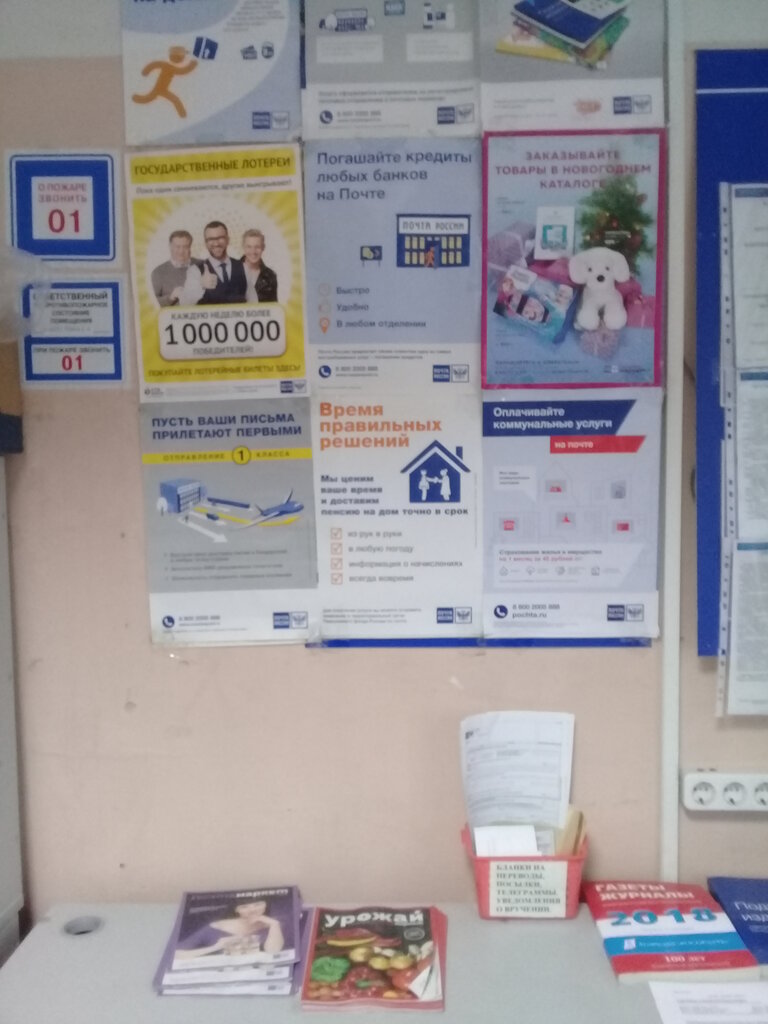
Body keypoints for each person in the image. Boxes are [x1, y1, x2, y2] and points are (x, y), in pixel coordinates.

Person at [174, 900, 285, 960]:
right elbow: (176, 955)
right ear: (236, 909)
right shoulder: (216, 927)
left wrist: (274, 925)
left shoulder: (274, 924)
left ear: (265, 905)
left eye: (258, 904)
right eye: (244, 906)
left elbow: (273, 951)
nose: (252, 910)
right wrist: (216, 947)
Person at [195, 221, 247, 304]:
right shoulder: (195, 270)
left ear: (228, 240)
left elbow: (253, 301)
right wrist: (200, 285)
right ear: (205, 243)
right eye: (211, 239)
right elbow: (185, 302)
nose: (216, 243)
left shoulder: (243, 266)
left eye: (220, 238)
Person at [150, 230, 203, 307]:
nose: (181, 251)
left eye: (185, 247)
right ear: (170, 247)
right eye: (177, 247)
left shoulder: (203, 265)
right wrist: (171, 298)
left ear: (190, 247)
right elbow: (151, 303)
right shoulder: (158, 272)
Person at [241, 228, 278, 303]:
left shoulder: (270, 276)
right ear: (243, 247)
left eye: (257, 247)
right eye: (249, 247)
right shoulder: (231, 271)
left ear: (263, 247)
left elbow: (273, 307)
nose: (253, 251)